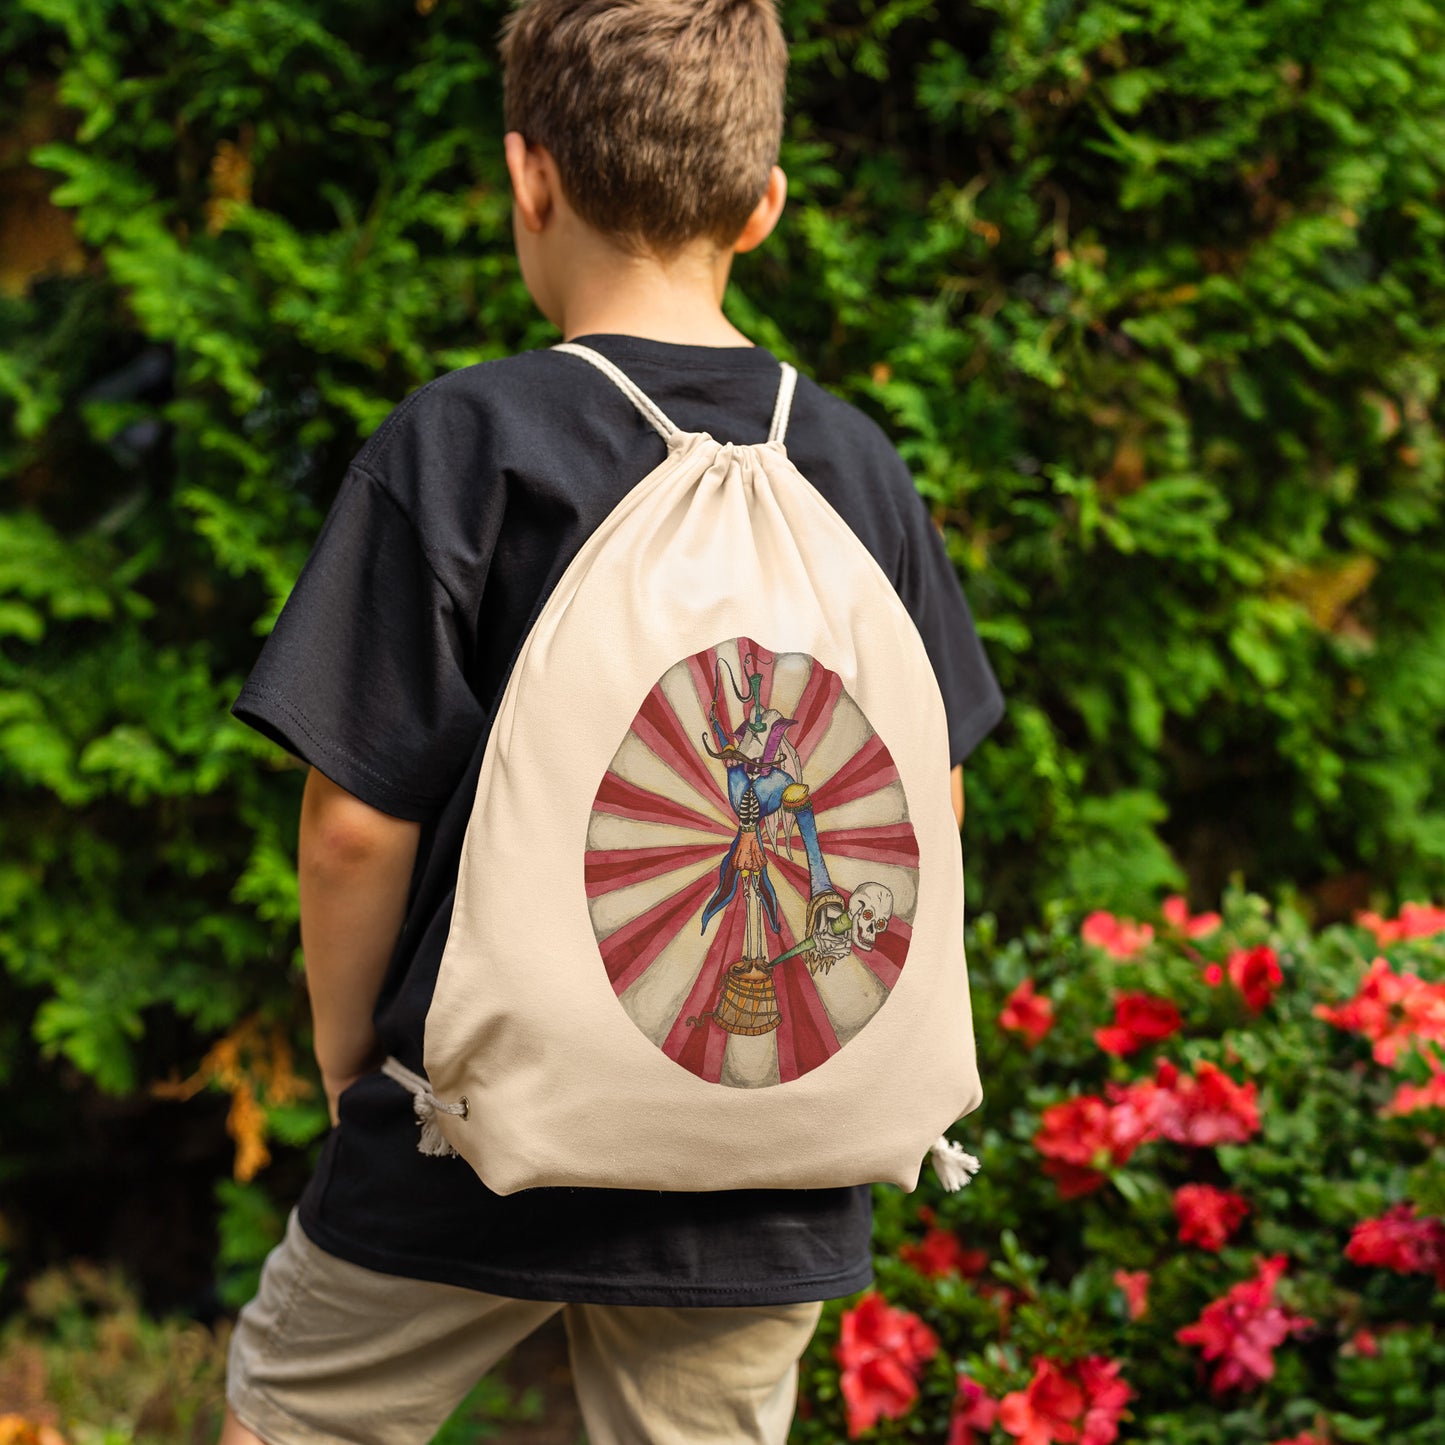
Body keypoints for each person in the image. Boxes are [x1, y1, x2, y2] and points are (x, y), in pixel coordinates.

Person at [219, 1, 1006, 1441]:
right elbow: (927, 806)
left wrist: (352, 1071)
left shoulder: (463, 443)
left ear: (529, 180)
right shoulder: (854, 465)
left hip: (472, 1131)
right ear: (763, 207)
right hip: (772, 1145)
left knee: (301, 1406)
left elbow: (349, 827)